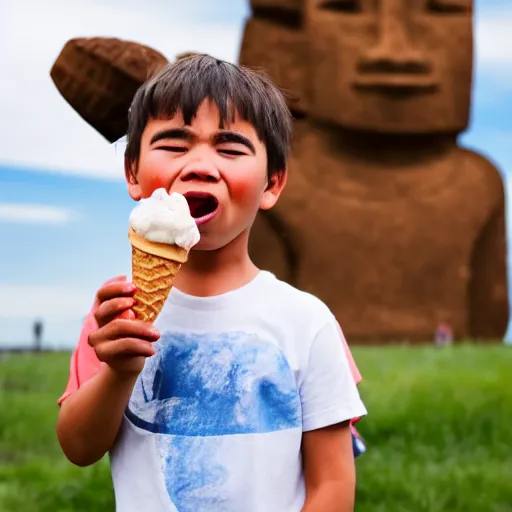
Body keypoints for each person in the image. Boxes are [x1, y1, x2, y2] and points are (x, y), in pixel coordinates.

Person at [56, 54, 367, 512]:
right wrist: (119, 371)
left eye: (230, 148)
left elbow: (332, 485)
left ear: (272, 184)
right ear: (132, 174)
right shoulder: (118, 310)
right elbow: (79, 449)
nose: (201, 165)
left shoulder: (307, 322)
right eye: (174, 144)